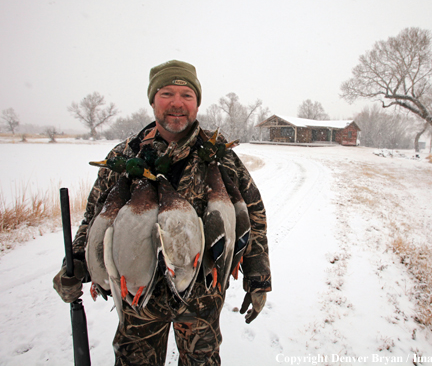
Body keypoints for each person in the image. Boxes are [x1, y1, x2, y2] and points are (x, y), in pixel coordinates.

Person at [53, 60, 271, 365]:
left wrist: (258, 275)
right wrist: (76, 262)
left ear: (197, 103)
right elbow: (94, 219)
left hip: (201, 301)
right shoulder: (124, 155)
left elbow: (254, 215)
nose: (177, 104)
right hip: (137, 301)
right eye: (167, 93)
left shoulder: (221, 156)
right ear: (153, 99)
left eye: (187, 95)